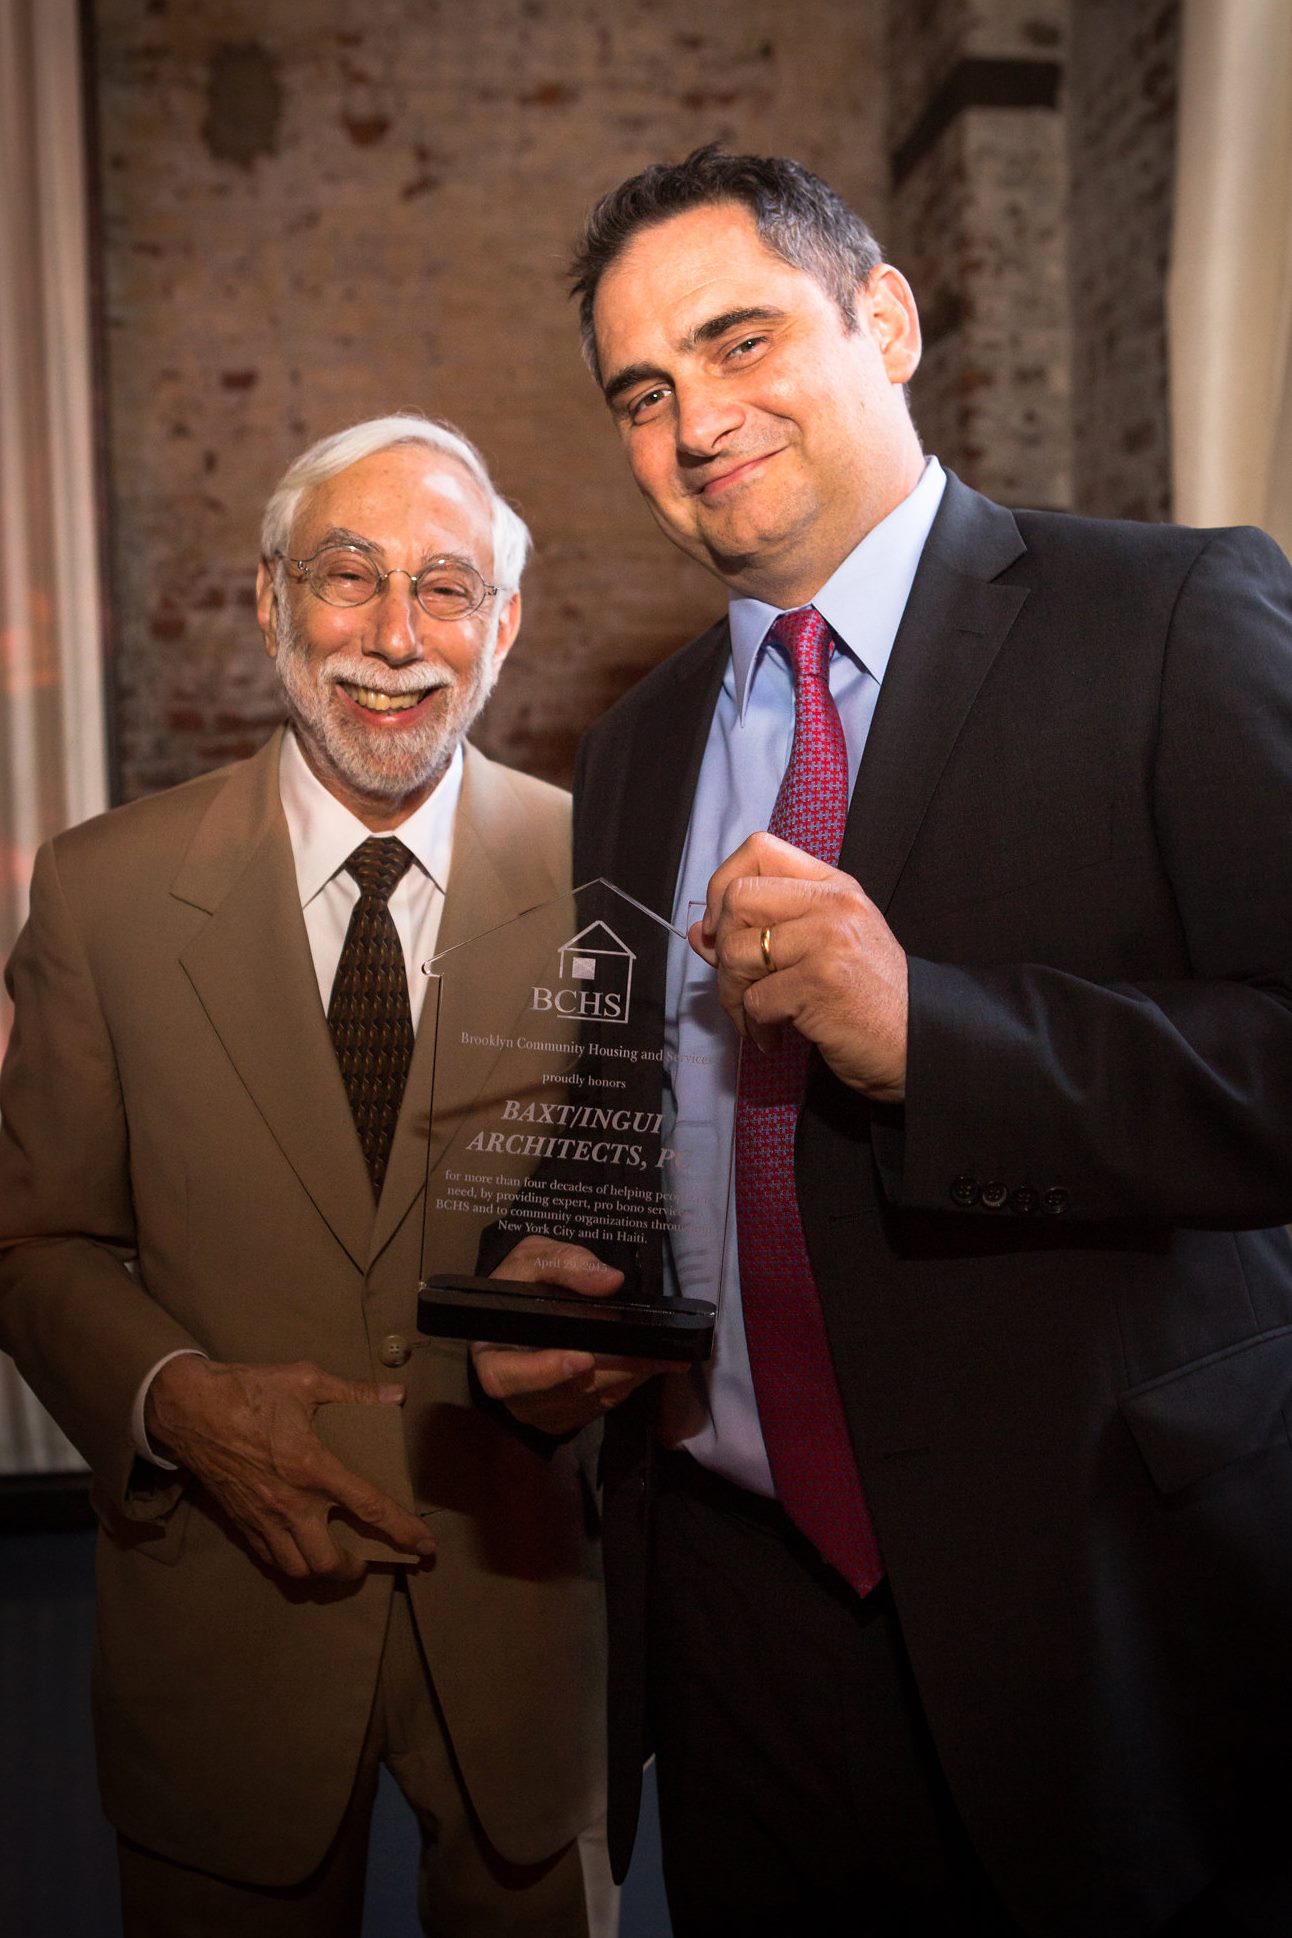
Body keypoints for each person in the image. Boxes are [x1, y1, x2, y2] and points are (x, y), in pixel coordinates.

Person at [473, 148, 1292, 1937]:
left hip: (1102, 1612)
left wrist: (940, 1032)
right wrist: (549, 1285)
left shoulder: (1168, 615)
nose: (697, 421)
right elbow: (634, 1122)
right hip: (738, 1618)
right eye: (642, 392)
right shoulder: (635, 747)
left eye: (740, 339)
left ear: (890, 321)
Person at [0, 414, 611, 1937]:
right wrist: (173, 1398)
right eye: (348, 578)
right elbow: (36, 1242)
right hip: (225, 1628)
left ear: (506, 623)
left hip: (532, 1627)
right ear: (271, 603)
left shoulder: (614, 883)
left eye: (447, 587)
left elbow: (662, 1213)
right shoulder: (103, 894)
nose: (396, 638)